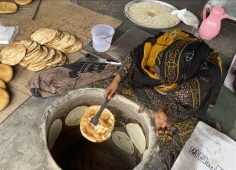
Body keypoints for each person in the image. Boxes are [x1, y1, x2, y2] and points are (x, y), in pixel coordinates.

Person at [88, 29, 222, 169]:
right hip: (176, 67)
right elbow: (135, 54)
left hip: (188, 83)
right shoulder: (161, 46)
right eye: (157, 70)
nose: (156, 77)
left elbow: (177, 104)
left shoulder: (197, 84)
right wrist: (117, 79)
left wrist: (162, 110)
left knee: (180, 115)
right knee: (135, 75)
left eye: (161, 77)